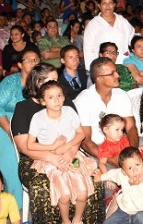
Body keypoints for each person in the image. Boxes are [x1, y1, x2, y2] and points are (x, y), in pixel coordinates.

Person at [12, 63, 104, 223]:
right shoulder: (23, 108)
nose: (57, 84)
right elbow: (24, 146)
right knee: (41, 186)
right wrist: (52, 157)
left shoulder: (64, 102)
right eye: (52, 79)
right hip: (35, 157)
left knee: (91, 177)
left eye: (57, 80)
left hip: (70, 151)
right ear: (37, 83)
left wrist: (69, 152)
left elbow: (77, 133)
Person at [74, 57, 143, 164]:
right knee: (113, 171)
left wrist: (132, 151)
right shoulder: (83, 100)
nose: (118, 76)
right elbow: (86, 142)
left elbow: (131, 127)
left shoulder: (121, 95)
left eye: (116, 72)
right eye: (112, 73)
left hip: (122, 143)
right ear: (99, 79)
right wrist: (110, 159)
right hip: (98, 148)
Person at [26, 80, 96, 224]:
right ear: (43, 101)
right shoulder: (38, 118)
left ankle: (77, 219)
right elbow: (30, 145)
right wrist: (52, 146)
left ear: (64, 97)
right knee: (64, 194)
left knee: (82, 192)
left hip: (73, 155)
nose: (56, 100)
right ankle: (65, 221)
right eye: (50, 97)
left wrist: (67, 147)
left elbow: (81, 134)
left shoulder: (69, 112)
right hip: (49, 160)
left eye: (59, 96)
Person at [0, 49, 40, 210]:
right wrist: (11, 132)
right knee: (10, 155)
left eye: (36, 60)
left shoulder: (43, 82)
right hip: (7, 123)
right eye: (28, 60)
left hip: (36, 124)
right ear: (20, 65)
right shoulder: (11, 82)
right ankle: (13, 203)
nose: (33, 63)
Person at [94, 147, 143, 224]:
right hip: (125, 210)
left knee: (141, 218)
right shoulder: (122, 174)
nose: (135, 170)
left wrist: (134, 187)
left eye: (137, 164)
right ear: (124, 172)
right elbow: (113, 174)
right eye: (130, 168)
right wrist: (101, 177)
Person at [97, 114, 143, 178]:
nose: (121, 133)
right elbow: (102, 163)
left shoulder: (123, 139)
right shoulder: (105, 147)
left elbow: (130, 150)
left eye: (122, 130)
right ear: (105, 130)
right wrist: (108, 177)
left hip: (136, 162)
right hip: (127, 169)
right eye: (117, 130)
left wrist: (139, 148)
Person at [83, 0, 134, 70]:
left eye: (110, 3)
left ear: (114, 5)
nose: (107, 6)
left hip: (124, 63)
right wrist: (92, 70)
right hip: (103, 67)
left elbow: (133, 39)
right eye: (104, 3)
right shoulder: (93, 24)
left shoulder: (122, 21)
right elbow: (88, 49)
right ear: (99, 5)